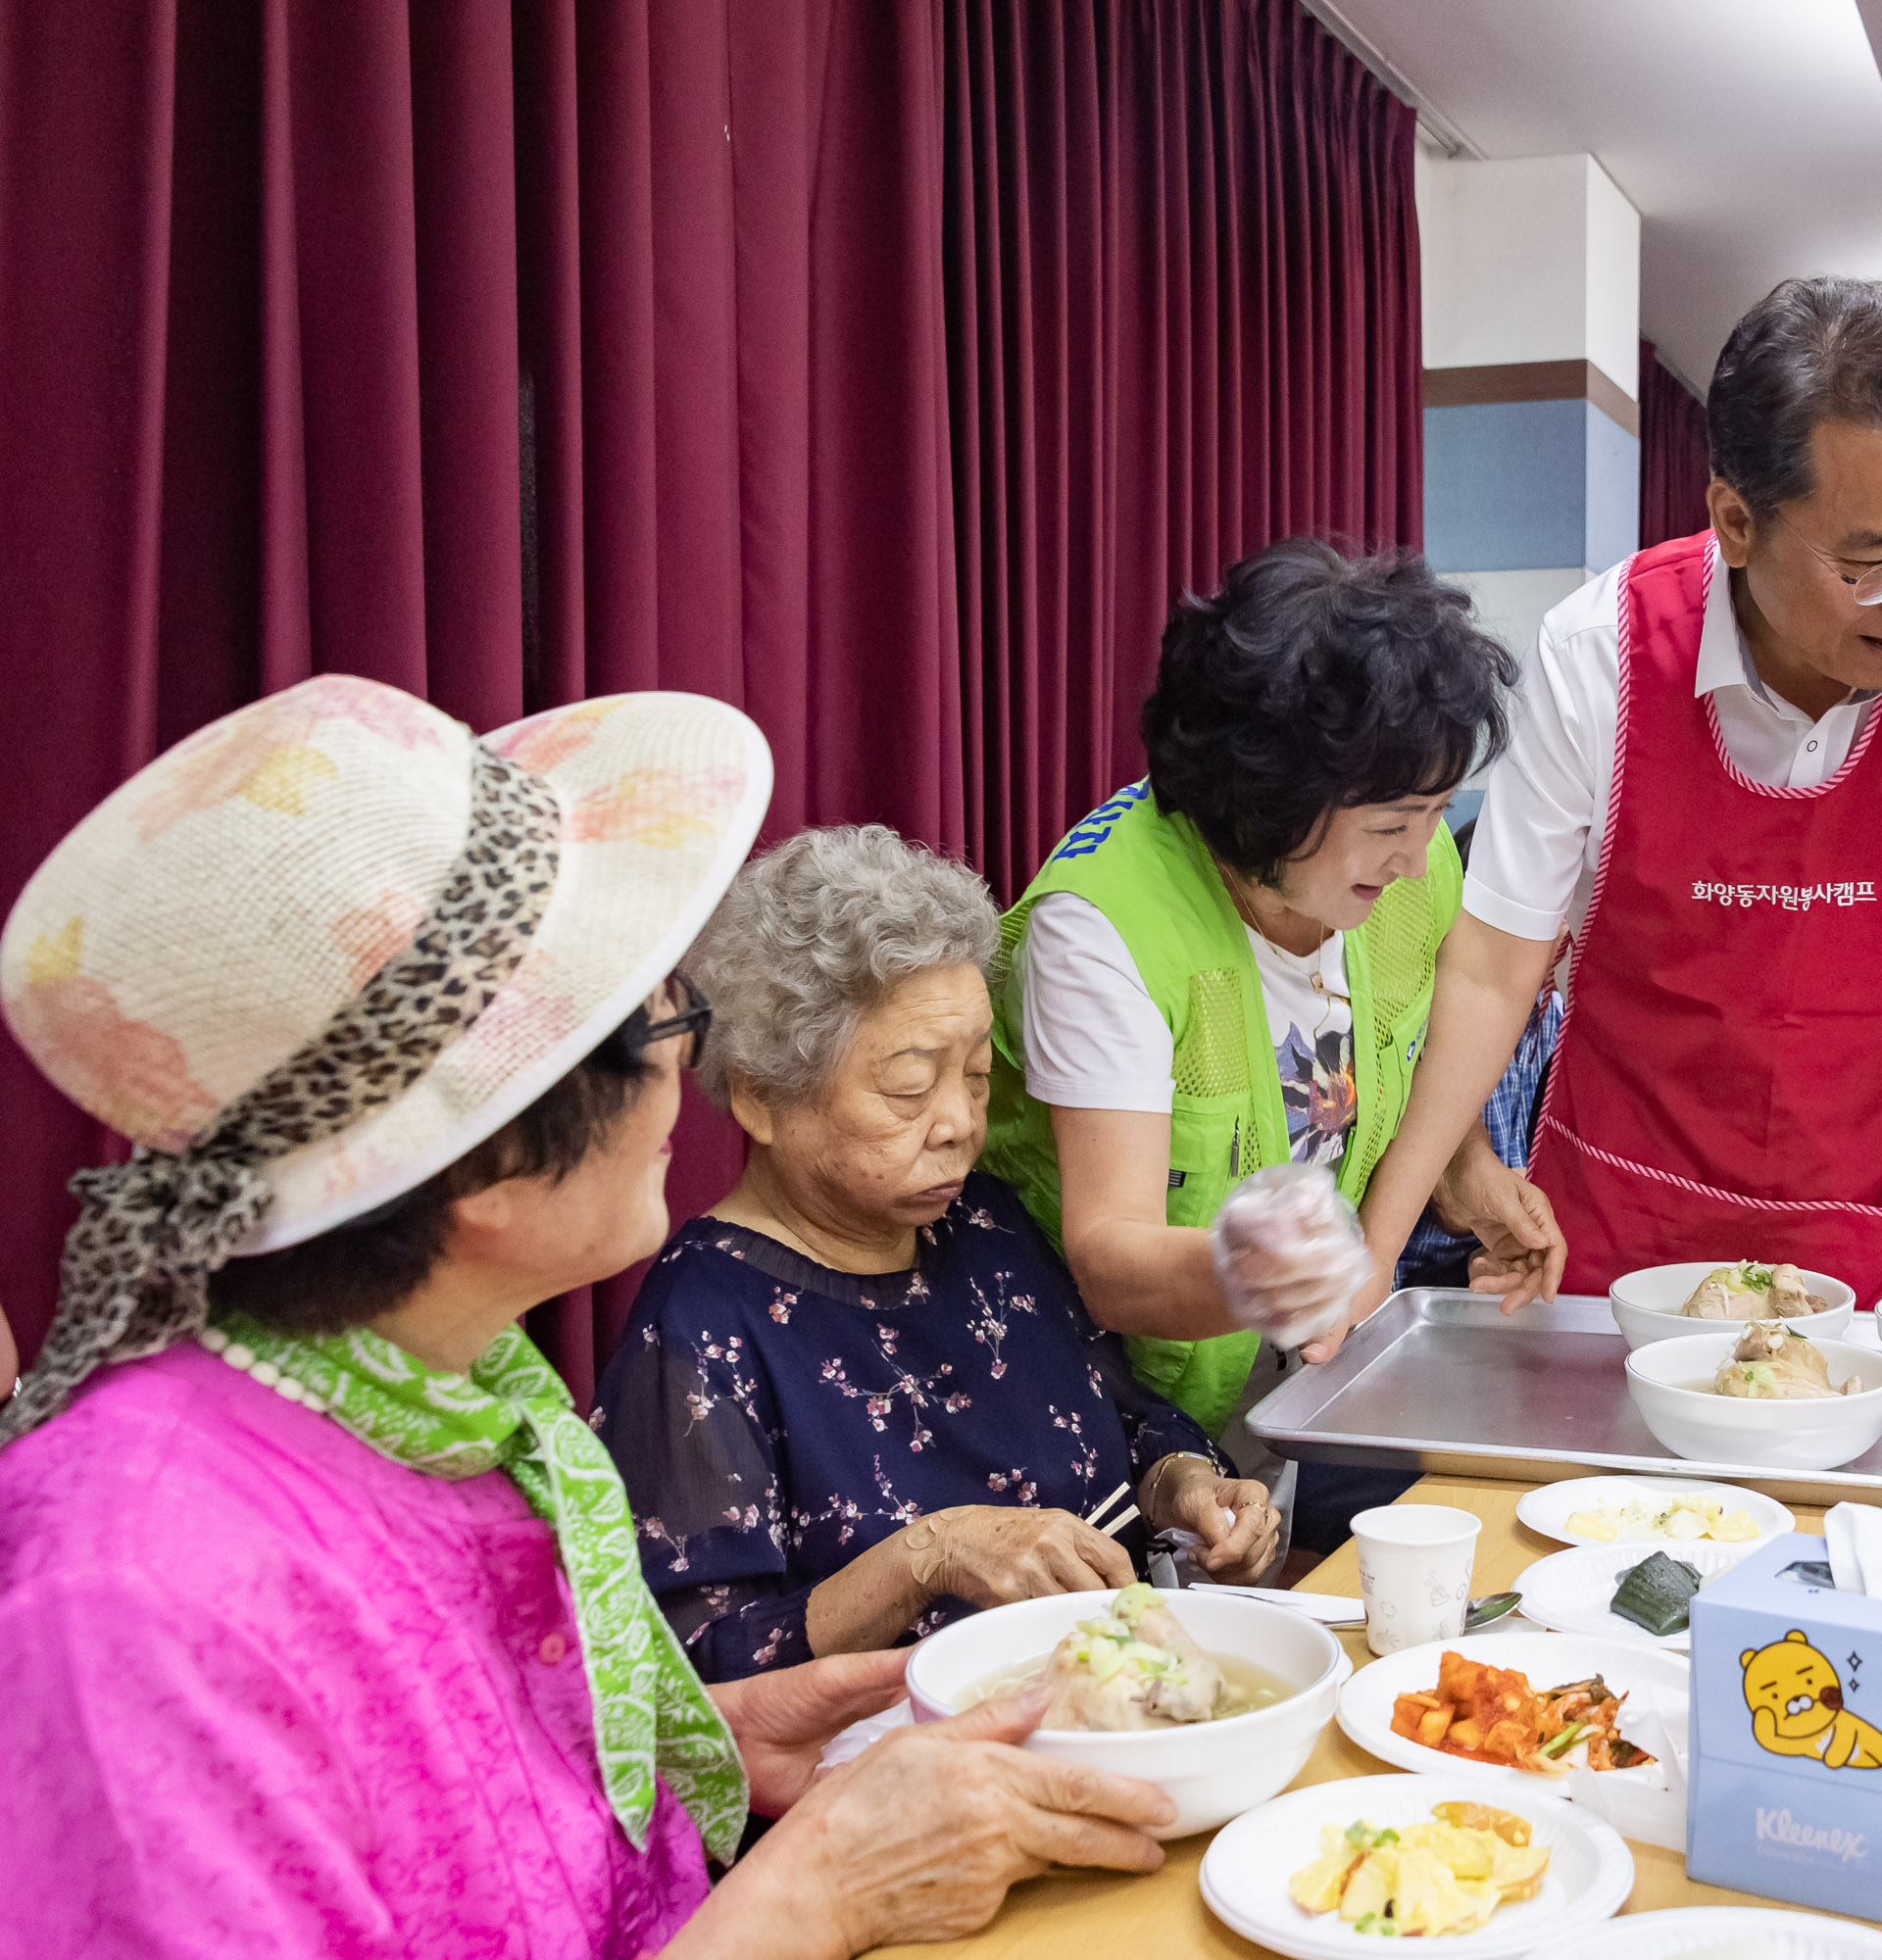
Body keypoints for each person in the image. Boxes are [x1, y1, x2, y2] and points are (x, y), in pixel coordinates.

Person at [0, 678, 1177, 1957]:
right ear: (485, 1160)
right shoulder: (136, 1590)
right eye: (658, 1021)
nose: (691, 1065)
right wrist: (816, 1893)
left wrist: (698, 1755)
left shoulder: (470, 1399)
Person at [1362, 276, 1882, 1314]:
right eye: (1877, 562)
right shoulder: (1603, 654)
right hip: (1623, 1221)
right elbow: (1495, 967)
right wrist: (1377, 1249)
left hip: (1874, 1233)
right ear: (1735, 520)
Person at [594, 826, 1279, 1685]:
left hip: (1124, 1710)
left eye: (979, 1077)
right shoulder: (703, 1327)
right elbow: (699, 1674)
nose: (959, 1123)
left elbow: (1117, 1413)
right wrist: (932, 1555)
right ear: (762, 1098)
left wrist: (1184, 1489)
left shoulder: (980, 1224)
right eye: (911, 1086)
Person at [982, 539, 1541, 1443]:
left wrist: (1452, 1177)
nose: (1419, 856)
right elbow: (1110, 1254)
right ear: (1269, 798)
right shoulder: (1101, 928)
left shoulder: (1410, 861)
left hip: (1305, 1373)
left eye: (1440, 812)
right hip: (1107, 1402)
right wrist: (1266, 1272)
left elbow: (1414, 1048)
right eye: (1391, 825)